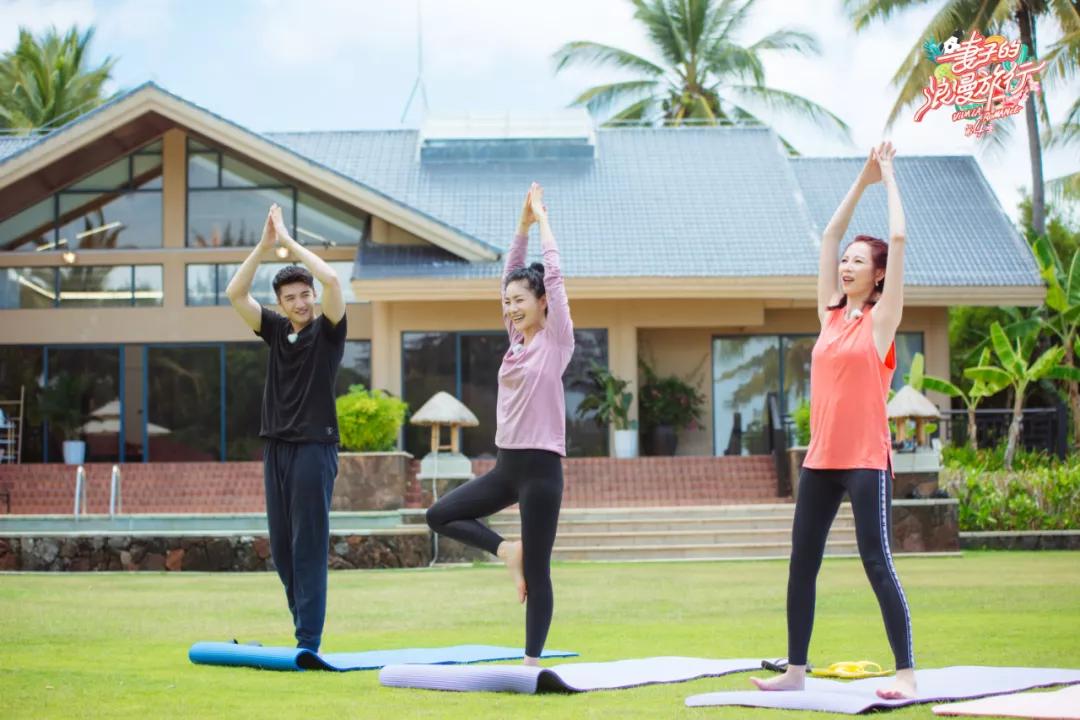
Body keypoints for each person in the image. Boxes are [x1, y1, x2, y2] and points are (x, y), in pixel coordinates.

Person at [750, 142, 916, 700]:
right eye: (845, 261)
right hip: (820, 461)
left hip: (867, 460)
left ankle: (905, 673)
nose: (845, 265)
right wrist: (861, 181)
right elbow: (826, 235)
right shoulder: (828, 314)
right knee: (802, 563)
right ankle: (795, 670)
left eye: (857, 262)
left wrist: (889, 178)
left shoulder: (881, 322)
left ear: (877, 278)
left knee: (876, 559)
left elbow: (897, 239)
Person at [426, 182, 574, 665]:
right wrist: (521, 227)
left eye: (521, 300)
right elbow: (511, 272)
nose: (511, 306)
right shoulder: (516, 343)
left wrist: (544, 221)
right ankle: (504, 549)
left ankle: (532, 663)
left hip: (542, 471)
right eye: (507, 301)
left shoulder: (555, 340)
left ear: (543, 304)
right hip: (507, 466)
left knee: (541, 569)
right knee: (439, 515)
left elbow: (552, 276)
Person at [225, 203, 347, 652]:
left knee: (309, 545)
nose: (299, 302)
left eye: (304, 294)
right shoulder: (276, 330)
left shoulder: (329, 330)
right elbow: (235, 294)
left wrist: (290, 243)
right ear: (280, 304)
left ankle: (309, 641)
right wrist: (263, 246)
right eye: (290, 298)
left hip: (315, 448)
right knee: (282, 549)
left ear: (311, 296)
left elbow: (333, 281)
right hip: (276, 447)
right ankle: (303, 628)